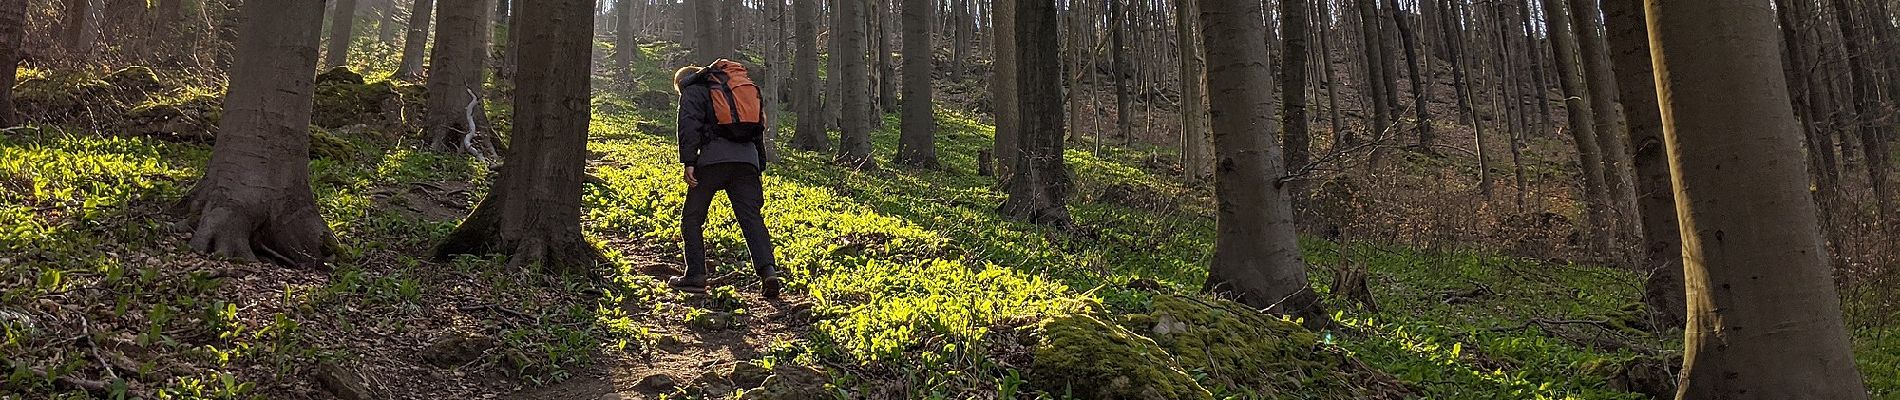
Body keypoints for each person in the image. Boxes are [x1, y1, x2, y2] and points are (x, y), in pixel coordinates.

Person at [668, 59, 781, 299]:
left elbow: (689, 126)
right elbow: (756, 129)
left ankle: (695, 275)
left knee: (692, 218)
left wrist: (688, 161)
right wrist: (759, 164)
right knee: (751, 218)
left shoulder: (693, 89)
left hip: (713, 161)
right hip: (746, 161)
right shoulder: (732, 89)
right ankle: (768, 271)